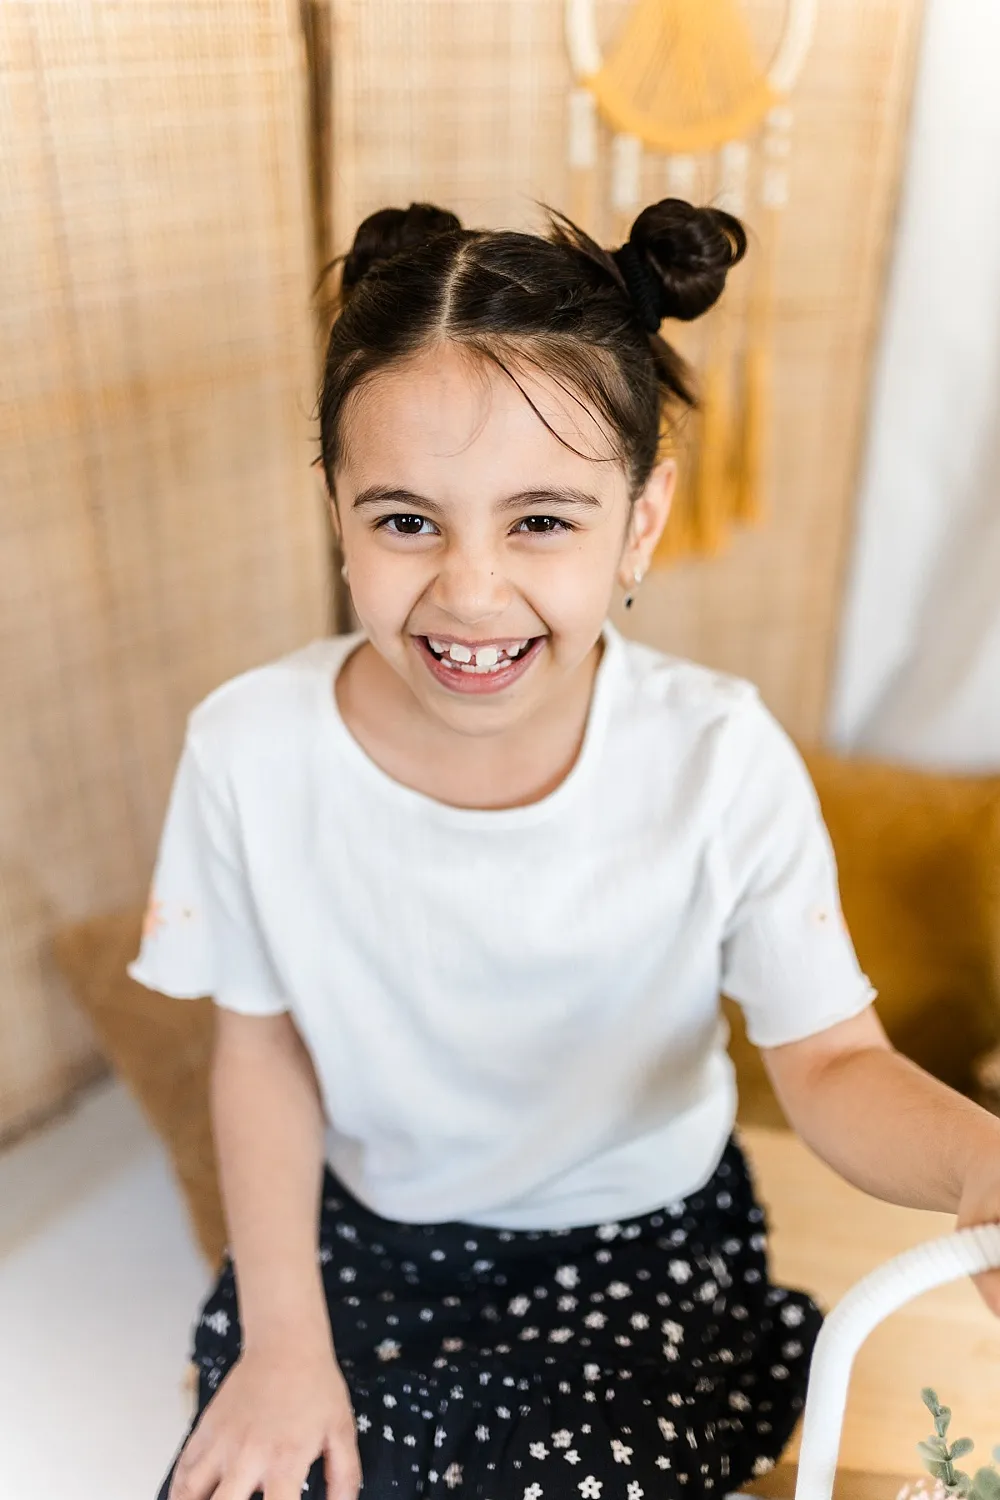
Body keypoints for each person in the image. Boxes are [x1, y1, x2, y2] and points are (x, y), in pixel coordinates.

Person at [132, 199, 1000, 1500]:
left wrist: (979, 1163)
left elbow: (826, 1061)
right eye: (406, 520)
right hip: (370, 1239)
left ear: (640, 521)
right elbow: (259, 1044)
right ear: (334, 506)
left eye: (541, 520)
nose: (471, 591)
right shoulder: (249, 751)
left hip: (635, 1244)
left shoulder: (719, 760)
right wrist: (285, 1341)